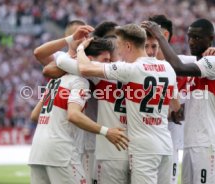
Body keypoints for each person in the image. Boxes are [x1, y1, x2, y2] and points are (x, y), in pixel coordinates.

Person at [74, 24, 181, 184]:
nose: (119, 53)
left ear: (128, 46)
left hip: (143, 148)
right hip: (165, 145)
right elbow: (177, 107)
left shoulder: (131, 69)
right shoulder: (168, 68)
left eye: (119, 47)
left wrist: (80, 49)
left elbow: (84, 67)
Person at [28, 37, 128, 184]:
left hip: (37, 151)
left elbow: (35, 115)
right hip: (62, 153)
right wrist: (106, 131)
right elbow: (73, 115)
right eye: (105, 60)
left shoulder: (55, 81)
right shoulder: (80, 81)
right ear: (88, 59)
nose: (107, 65)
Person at [143, 19, 215, 184]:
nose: (191, 41)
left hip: (208, 141)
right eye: (190, 37)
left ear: (210, 38)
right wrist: (174, 112)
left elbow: (178, 67)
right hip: (191, 141)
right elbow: (185, 111)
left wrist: (160, 37)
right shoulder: (196, 65)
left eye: (197, 37)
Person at [55, 23, 131, 184]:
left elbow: (61, 61)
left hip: (110, 150)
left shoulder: (101, 71)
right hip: (135, 150)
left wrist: (79, 48)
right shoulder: (136, 69)